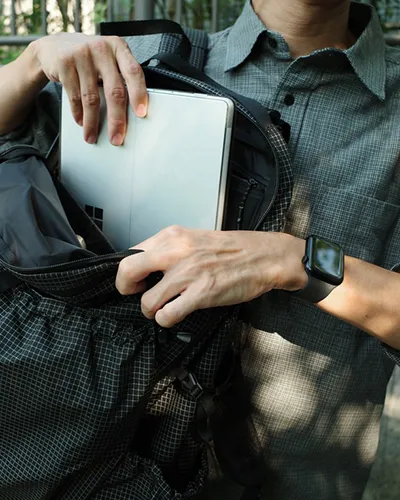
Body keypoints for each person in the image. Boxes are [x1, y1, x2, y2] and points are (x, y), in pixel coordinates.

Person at [1, 0, 400, 498]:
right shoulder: (131, 60)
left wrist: (294, 260)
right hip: (111, 464)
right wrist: (30, 62)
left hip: (297, 479)